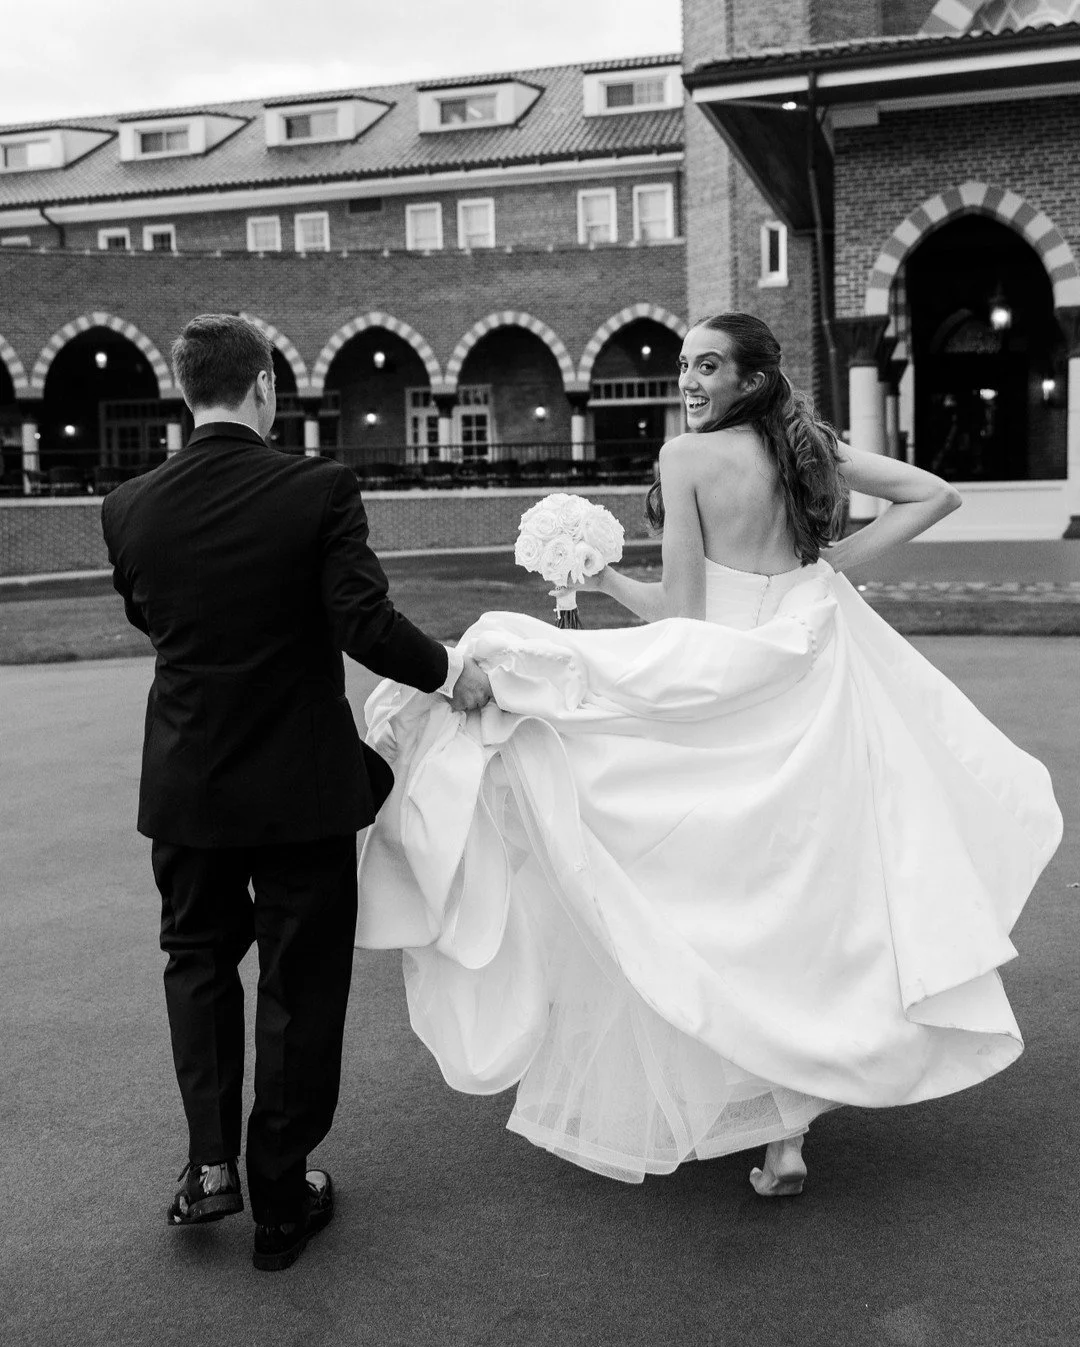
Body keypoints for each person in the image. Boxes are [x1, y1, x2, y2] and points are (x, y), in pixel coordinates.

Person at [355, 312, 1062, 1196]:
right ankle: (787, 1128)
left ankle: (771, 1107)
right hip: (810, 674)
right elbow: (934, 493)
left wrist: (602, 581)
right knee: (805, 897)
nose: (690, 382)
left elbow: (684, 620)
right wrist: (830, 568)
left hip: (731, 684)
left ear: (751, 377)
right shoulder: (809, 447)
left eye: (709, 366)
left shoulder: (686, 460)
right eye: (685, 366)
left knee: (713, 894)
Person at [101, 313, 491, 1271]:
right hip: (301, 786)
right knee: (299, 980)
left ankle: (208, 1169)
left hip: (188, 781)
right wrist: (450, 674)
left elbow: (153, 619)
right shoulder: (318, 486)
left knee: (195, 963)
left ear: (186, 390)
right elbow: (362, 622)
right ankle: (282, 1189)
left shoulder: (128, 505)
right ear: (266, 386)